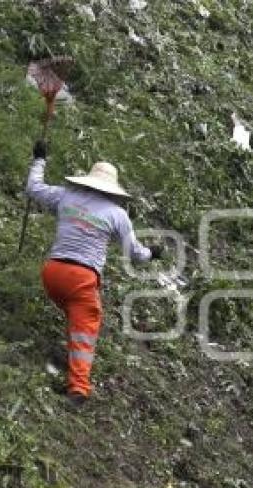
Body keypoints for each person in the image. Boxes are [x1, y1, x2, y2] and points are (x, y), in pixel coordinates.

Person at [26, 140, 162, 406]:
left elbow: (33, 188)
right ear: (113, 190)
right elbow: (135, 254)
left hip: (52, 273)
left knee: (77, 317)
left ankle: (67, 357)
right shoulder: (117, 214)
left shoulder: (67, 196)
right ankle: (78, 389)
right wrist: (153, 253)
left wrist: (39, 159)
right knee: (86, 328)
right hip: (81, 277)